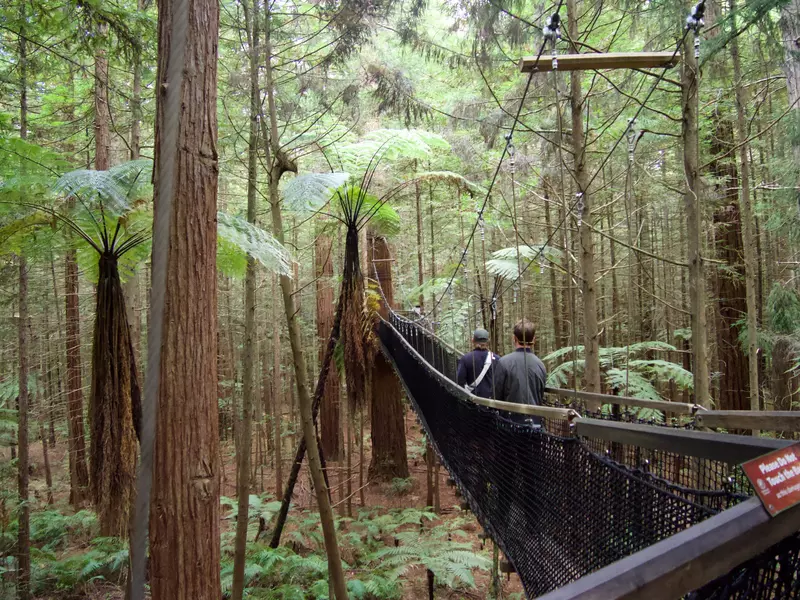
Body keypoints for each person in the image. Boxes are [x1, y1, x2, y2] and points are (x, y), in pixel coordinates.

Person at [498, 319, 547, 407]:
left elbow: (496, 395)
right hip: (535, 417)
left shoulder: (503, 362)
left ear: (514, 338)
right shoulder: (540, 364)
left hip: (508, 418)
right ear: (534, 339)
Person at [457, 328, 503, 399]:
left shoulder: (466, 358)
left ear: (473, 341)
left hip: (473, 401)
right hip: (491, 402)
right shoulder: (497, 359)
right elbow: (501, 382)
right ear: (488, 342)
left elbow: (460, 381)